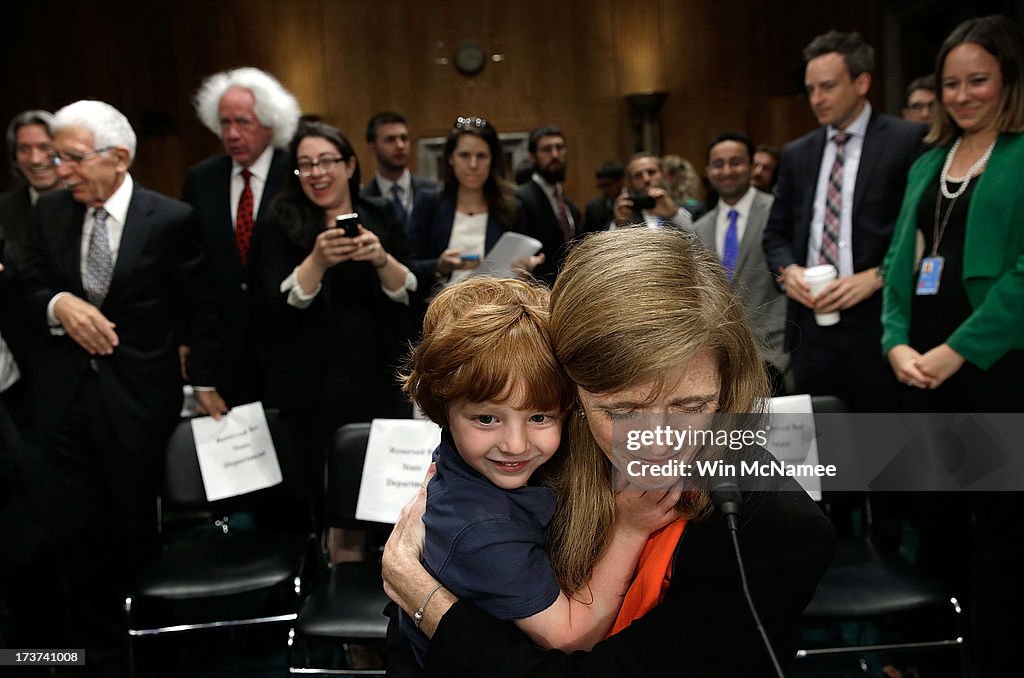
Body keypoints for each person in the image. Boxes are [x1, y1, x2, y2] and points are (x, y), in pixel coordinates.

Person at [383, 227, 836, 676]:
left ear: (728, 385)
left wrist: (424, 598)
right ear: (569, 387)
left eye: (691, 405)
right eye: (622, 411)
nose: (657, 442)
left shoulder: (772, 530)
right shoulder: (533, 446)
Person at [17, 100, 224, 675]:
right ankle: (95, 657)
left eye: (74, 158)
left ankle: (155, 650)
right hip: (61, 407)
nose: (62, 170)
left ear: (120, 158)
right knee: (74, 540)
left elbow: (202, 308)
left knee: (132, 534)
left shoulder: (172, 219)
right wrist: (61, 304)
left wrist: (203, 376)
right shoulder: (51, 213)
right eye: (58, 157)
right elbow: (28, 286)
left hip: (136, 405)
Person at [398, 276, 678, 665]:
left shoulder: (474, 459)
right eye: (486, 419)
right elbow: (569, 636)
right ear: (443, 411)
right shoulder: (480, 529)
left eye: (540, 416)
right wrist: (630, 529)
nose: (515, 444)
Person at [881, 19, 1024, 673]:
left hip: (992, 369)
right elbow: (898, 261)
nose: (963, 95)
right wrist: (894, 343)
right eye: (952, 83)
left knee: (997, 534)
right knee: (930, 519)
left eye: (979, 81)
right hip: (920, 371)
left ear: (1008, 81)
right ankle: (926, 657)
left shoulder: (1022, 156)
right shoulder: (928, 163)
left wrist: (956, 350)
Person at [762, 30, 925, 412]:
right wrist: (789, 273)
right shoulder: (798, 153)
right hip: (810, 329)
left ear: (862, 82)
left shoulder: (907, 141)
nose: (816, 99)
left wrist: (877, 276)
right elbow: (775, 235)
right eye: (811, 89)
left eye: (828, 87)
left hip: (879, 323)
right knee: (823, 447)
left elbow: (923, 231)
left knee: (888, 445)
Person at [256, 121, 416, 504]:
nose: (317, 173)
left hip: (377, 370)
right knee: (325, 487)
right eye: (305, 165)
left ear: (349, 165)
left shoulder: (380, 214)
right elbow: (271, 312)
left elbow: (411, 293)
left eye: (326, 161)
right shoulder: (281, 221)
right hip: (312, 379)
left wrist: (380, 258)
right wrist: (316, 261)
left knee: (380, 486)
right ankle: (335, 560)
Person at [182, 67, 300, 407]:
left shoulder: (297, 174)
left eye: (243, 122)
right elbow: (192, 270)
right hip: (224, 354)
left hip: (288, 348)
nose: (232, 133)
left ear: (270, 123)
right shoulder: (201, 180)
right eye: (224, 123)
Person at [693, 132, 787, 395]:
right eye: (718, 164)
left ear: (752, 165)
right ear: (708, 170)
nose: (727, 171)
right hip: (724, 361)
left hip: (776, 355)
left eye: (736, 162)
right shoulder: (700, 227)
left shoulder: (779, 211)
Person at [407, 116, 529, 291]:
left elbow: (517, 272)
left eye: (481, 156)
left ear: (492, 160)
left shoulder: (511, 207)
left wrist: (522, 270)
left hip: (493, 308)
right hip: (438, 306)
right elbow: (409, 269)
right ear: (450, 158)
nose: (473, 165)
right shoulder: (429, 203)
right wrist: (440, 266)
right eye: (464, 155)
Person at [516, 125, 581, 285]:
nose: (555, 155)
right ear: (532, 157)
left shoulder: (569, 205)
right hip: (537, 290)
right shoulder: (521, 197)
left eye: (559, 147)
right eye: (546, 149)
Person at [360, 111, 438, 233]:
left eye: (404, 138)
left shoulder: (434, 191)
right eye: (390, 140)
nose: (400, 145)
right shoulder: (363, 200)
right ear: (373, 148)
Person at [611, 152, 693, 229]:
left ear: (663, 174)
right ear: (631, 182)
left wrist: (675, 215)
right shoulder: (625, 214)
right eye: (638, 175)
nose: (646, 179)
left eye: (651, 172)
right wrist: (621, 224)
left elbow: (698, 240)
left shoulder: (689, 209)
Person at [582, 160, 624, 233]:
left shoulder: (634, 201)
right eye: (601, 186)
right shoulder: (593, 208)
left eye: (608, 185)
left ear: (620, 181)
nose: (605, 190)